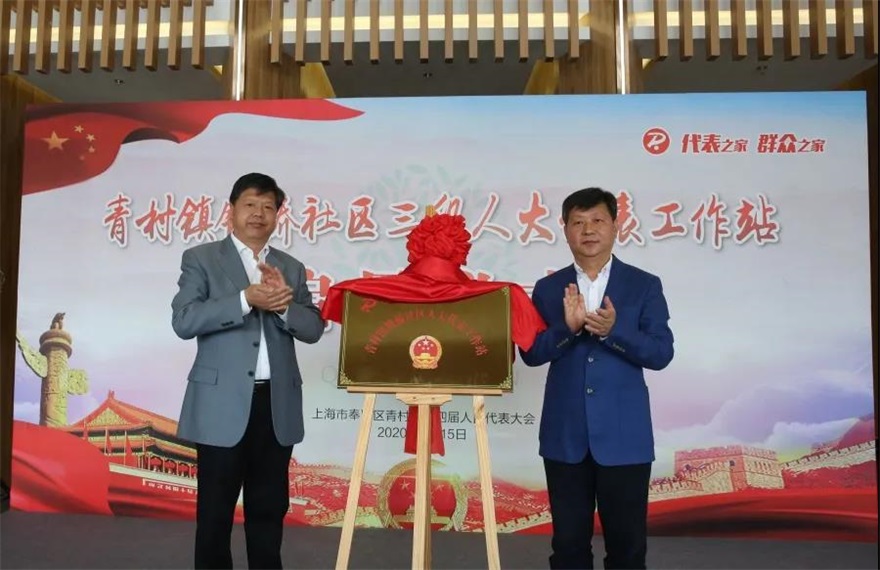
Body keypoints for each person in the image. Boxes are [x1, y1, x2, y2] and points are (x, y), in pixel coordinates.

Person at [171, 172, 325, 569]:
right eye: (250, 204)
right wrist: (245, 298)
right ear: (232, 210)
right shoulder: (201, 259)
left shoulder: (291, 267)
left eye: (268, 206)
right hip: (221, 404)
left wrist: (284, 306)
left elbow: (313, 328)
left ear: (278, 215)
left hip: (275, 404)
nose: (259, 213)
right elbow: (184, 321)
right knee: (215, 514)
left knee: (268, 511)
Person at [520, 187, 674, 570]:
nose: (588, 230)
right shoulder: (548, 289)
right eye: (578, 222)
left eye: (597, 220)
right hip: (565, 436)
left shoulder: (644, 285)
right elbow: (531, 353)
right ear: (565, 229)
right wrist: (567, 329)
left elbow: (661, 353)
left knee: (627, 549)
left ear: (616, 226)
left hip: (625, 437)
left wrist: (613, 331)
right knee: (568, 547)